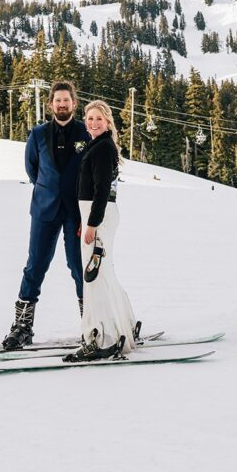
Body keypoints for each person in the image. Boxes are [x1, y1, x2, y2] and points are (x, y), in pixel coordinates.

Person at [2, 80, 91, 350]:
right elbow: (33, 170)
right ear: (50, 104)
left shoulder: (85, 133)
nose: (62, 104)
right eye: (57, 100)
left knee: (79, 268)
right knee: (35, 267)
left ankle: (92, 324)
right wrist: (49, 189)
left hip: (76, 214)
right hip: (44, 210)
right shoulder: (38, 134)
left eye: (67, 100)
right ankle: (22, 327)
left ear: (74, 104)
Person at [64, 99, 136, 363]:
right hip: (96, 214)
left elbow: (102, 189)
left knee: (94, 277)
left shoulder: (103, 148)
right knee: (103, 273)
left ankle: (102, 338)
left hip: (99, 215)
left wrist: (93, 223)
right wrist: (88, 219)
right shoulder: (99, 145)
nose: (93, 123)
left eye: (98, 119)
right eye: (90, 118)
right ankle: (122, 327)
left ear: (108, 122)